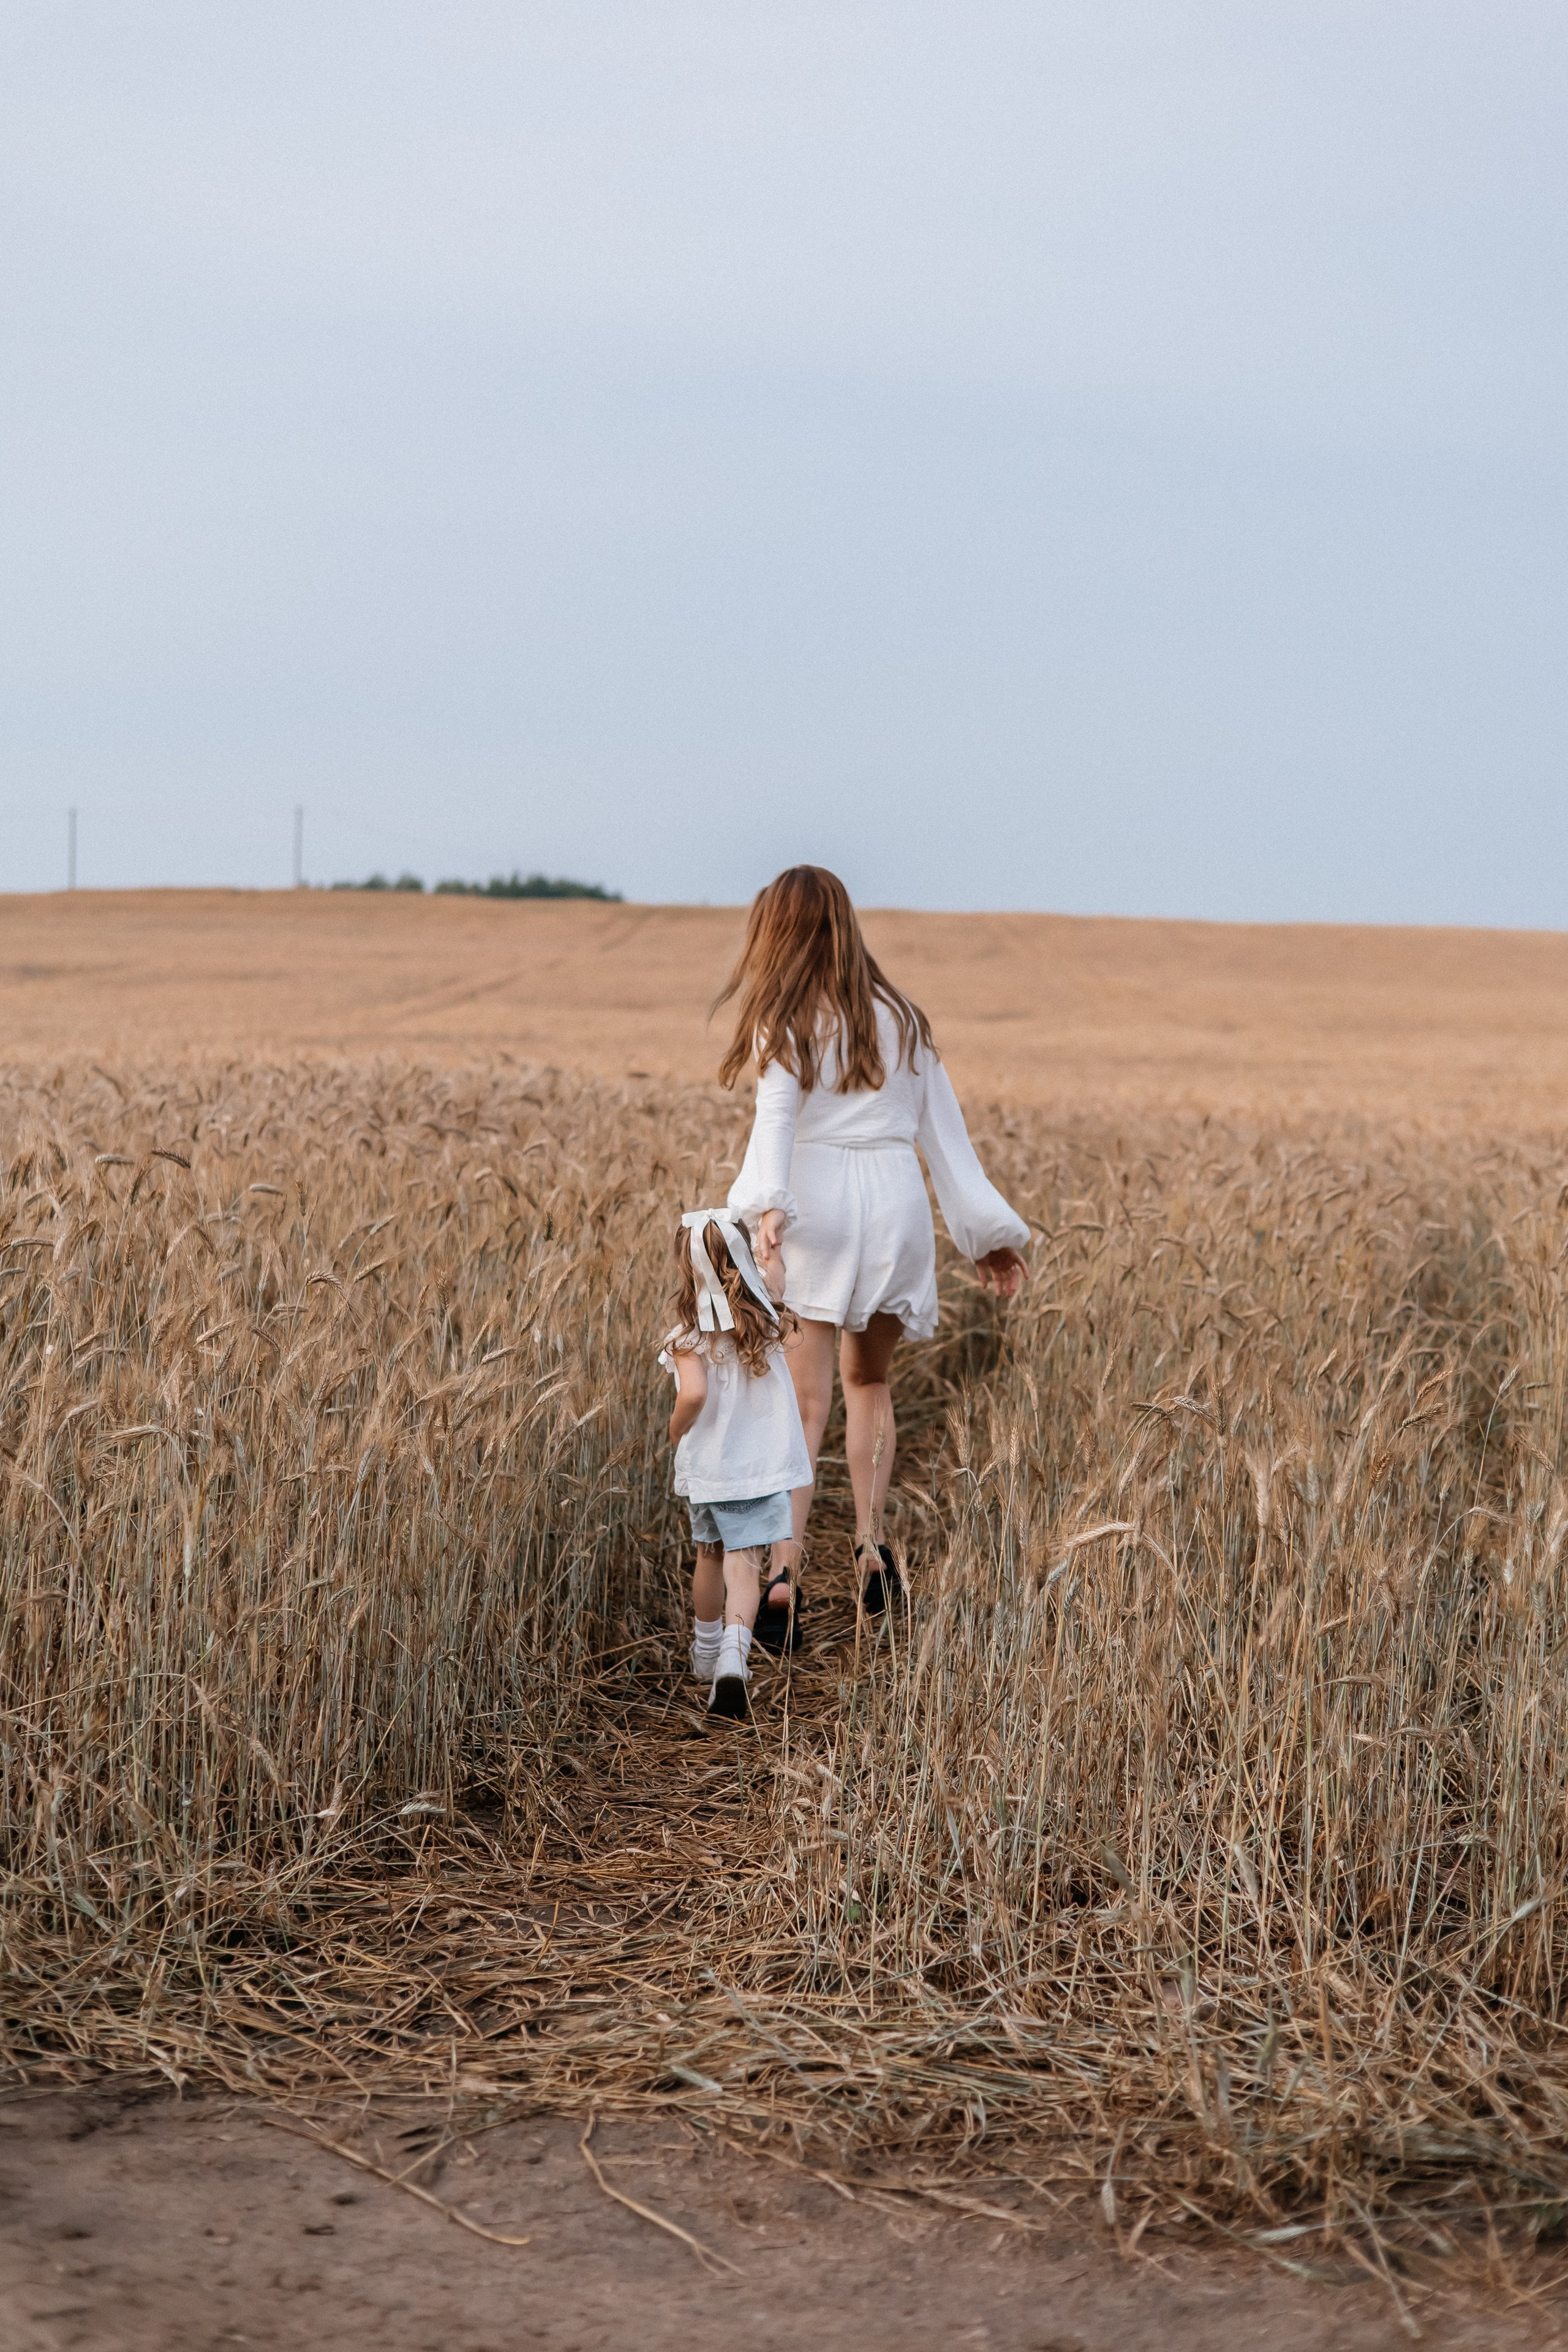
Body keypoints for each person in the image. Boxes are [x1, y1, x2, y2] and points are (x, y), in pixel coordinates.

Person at [720, 865, 1029, 1648]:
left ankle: (783, 1570)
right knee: (871, 1383)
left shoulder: (782, 1020)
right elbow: (947, 1144)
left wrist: (765, 1213)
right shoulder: (904, 1019)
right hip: (894, 1204)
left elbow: (777, 1124)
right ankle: (870, 1542)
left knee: (804, 1402)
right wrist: (991, 1238)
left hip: (814, 1207)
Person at [662, 1207, 812, 1717]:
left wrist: (675, 1429)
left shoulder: (685, 1338)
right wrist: (773, 1252)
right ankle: (733, 1658)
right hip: (760, 1467)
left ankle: (704, 1652)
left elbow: (695, 1394)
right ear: (743, 1260)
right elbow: (775, 1277)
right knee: (743, 1566)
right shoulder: (766, 1314)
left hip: (710, 1467)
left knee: (708, 1554)